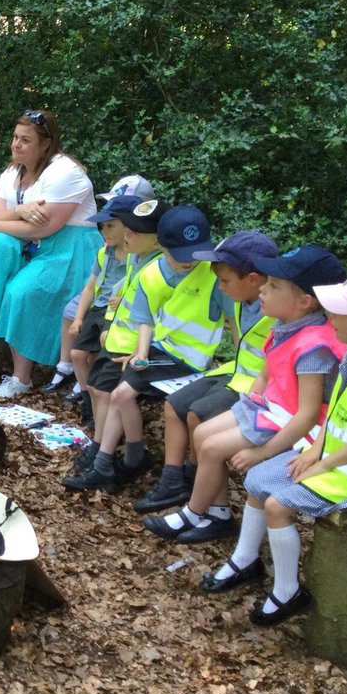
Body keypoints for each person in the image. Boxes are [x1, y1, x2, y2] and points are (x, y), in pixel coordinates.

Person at [201, 268, 347, 626]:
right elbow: (334, 414)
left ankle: (288, 592)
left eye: (340, 311)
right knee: (257, 479)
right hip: (338, 463)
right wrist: (315, 450)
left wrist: (322, 463)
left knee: (277, 505)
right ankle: (245, 559)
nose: (330, 316)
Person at [142, 245, 347, 542]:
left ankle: (193, 512)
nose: (263, 288)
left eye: (274, 285)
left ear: (304, 302)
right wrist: (251, 401)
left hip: (289, 422)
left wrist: (263, 453)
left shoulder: (314, 347)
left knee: (211, 448)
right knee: (201, 433)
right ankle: (218, 513)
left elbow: (307, 414)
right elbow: (267, 369)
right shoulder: (286, 325)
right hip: (267, 407)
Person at [64, 206, 228, 493]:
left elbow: (235, 324)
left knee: (121, 393)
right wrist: (141, 352)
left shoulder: (213, 275)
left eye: (194, 254)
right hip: (159, 352)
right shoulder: (152, 272)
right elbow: (145, 318)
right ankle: (118, 460)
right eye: (181, 255)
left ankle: (122, 460)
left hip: (189, 360)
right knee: (118, 394)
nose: (188, 262)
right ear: (163, 246)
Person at [0, 110, 100, 400]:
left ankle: (22, 378)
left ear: (46, 144)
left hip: (69, 249)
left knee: (20, 291)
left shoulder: (65, 172)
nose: (16, 145)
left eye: (25, 140)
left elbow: (45, 228)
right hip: (31, 243)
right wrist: (15, 213)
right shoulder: (12, 173)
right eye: (15, 138)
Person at [134, 231, 277, 514]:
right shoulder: (242, 298)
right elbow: (241, 341)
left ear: (252, 280)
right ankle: (174, 479)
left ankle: (208, 497)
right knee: (175, 405)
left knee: (198, 414)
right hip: (236, 372)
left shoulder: (276, 307)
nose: (220, 287)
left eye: (224, 281)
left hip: (258, 387)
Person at [67, 198, 166, 478]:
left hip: (131, 347)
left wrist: (138, 348)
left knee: (110, 394)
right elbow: (121, 299)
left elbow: (154, 315)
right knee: (99, 391)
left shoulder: (154, 266)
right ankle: (99, 446)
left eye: (133, 231)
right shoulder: (136, 259)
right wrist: (108, 326)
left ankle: (105, 455)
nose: (128, 236)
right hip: (117, 340)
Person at [51, 176, 151, 401]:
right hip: (99, 305)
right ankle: (86, 393)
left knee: (102, 344)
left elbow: (139, 286)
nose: (104, 230)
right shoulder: (105, 251)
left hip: (117, 313)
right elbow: (91, 285)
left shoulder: (140, 254)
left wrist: (122, 299)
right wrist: (79, 317)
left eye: (111, 224)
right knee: (75, 331)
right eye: (103, 225)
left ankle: (95, 392)